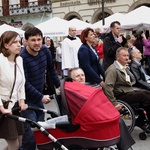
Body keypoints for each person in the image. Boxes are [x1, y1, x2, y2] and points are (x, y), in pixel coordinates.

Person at [69, 68, 135, 150]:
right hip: (86, 120)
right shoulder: (74, 92)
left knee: (117, 119)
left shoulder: (86, 89)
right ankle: (124, 147)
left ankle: (124, 147)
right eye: (77, 76)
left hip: (92, 115)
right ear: (72, 79)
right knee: (117, 121)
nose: (81, 77)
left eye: (82, 75)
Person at [20, 27, 60, 150]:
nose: (37, 43)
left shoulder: (44, 51)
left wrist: (59, 86)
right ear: (26, 41)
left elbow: (51, 69)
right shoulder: (22, 57)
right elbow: (24, 83)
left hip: (38, 98)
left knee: (41, 132)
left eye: (39, 39)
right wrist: (41, 96)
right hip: (26, 100)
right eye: (33, 40)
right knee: (31, 135)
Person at [103, 47, 150, 133]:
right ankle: (142, 120)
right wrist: (114, 103)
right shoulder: (113, 69)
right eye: (124, 55)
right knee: (145, 96)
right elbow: (107, 87)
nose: (127, 58)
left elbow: (131, 81)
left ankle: (141, 119)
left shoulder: (124, 67)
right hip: (121, 95)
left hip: (128, 91)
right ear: (118, 57)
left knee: (147, 93)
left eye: (128, 55)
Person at [0, 31, 28, 150]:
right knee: (14, 144)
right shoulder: (0, 61)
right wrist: (2, 108)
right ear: (6, 45)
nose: (19, 45)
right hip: (4, 106)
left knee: (20, 142)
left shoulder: (19, 60)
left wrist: (22, 101)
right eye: (15, 42)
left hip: (16, 106)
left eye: (19, 42)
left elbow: (21, 84)